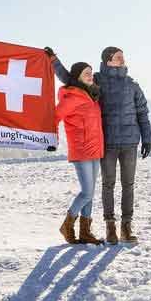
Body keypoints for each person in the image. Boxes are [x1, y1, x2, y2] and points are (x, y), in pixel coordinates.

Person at [46, 46, 151, 245]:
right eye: (118, 57)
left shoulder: (132, 85)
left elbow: (142, 113)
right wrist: (54, 61)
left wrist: (147, 137)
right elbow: (71, 78)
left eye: (123, 57)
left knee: (128, 185)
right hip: (108, 144)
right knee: (107, 185)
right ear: (107, 61)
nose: (122, 60)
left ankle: (126, 227)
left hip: (130, 143)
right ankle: (110, 226)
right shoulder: (98, 82)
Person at [55, 61, 105, 245]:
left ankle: (85, 232)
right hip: (82, 150)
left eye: (91, 72)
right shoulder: (72, 97)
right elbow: (54, 116)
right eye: (86, 73)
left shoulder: (92, 95)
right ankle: (67, 225)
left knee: (90, 193)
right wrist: (52, 140)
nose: (90, 75)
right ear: (77, 76)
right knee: (86, 193)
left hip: (95, 149)